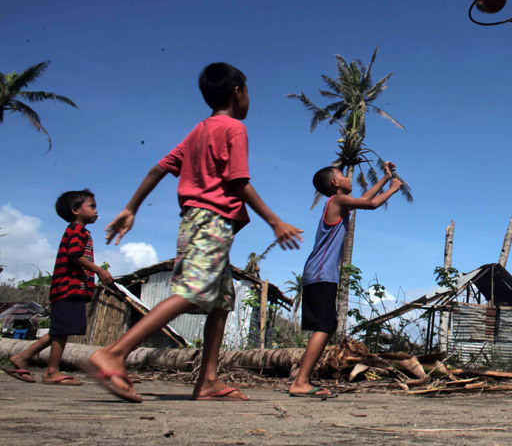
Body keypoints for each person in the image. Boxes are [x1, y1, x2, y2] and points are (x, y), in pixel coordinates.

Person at [87, 62, 303, 403]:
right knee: (193, 292)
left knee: (220, 303)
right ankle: (115, 353)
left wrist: (131, 207)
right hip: (211, 220)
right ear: (238, 92)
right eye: (248, 92)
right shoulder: (233, 129)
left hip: (197, 220)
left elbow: (159, 168)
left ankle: (208, 381)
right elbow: (238, 181)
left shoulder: (199, 130)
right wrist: (274, 220)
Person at [288, 162, 401, 398]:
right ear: (334, 183)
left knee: (326, 326)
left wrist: (384, 178)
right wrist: (392, 189)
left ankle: (302, 379)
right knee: (325, 326)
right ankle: (300, 381)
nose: (349, 179)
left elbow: (366, 198)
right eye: (343, 176)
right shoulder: (336, 202)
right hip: (320, 274)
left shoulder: (340, 204)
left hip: (320, 274)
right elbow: (370, 203)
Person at [3, 190, 114, 385]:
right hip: (69, 288)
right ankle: (51, 371)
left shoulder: (77, 231)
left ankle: (23, 358)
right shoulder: (78, 231)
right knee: (61, 331)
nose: (97, 211)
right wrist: (99, 271)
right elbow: (74, 256)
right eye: (92, 207)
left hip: (70, 287)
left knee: (60, 330)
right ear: (75, 210)